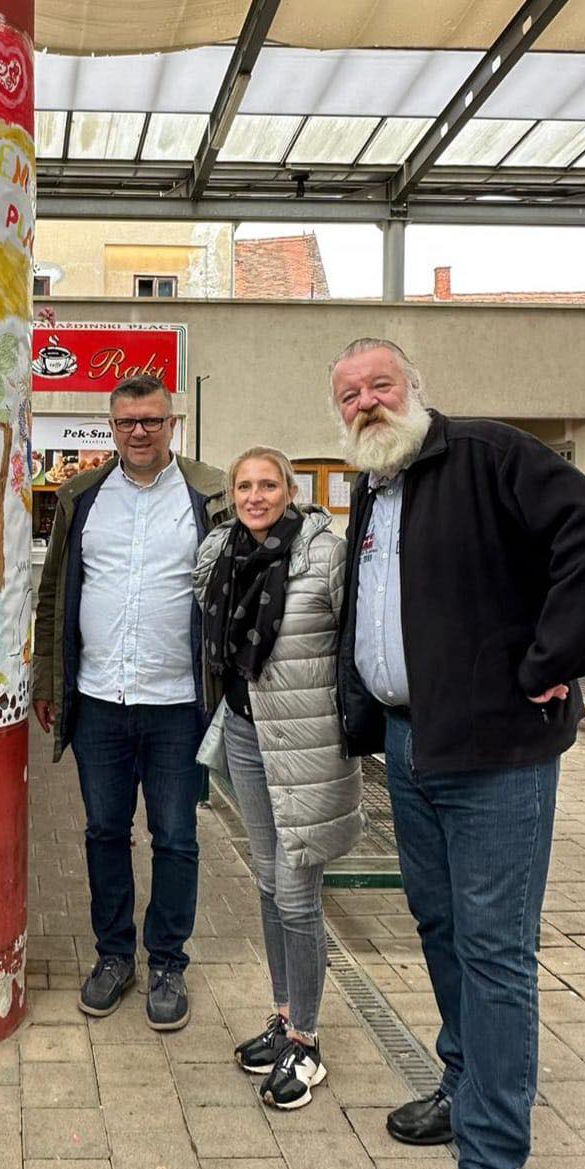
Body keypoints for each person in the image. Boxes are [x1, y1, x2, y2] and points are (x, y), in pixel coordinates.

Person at [332, 338, 585, 1169]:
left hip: (497, 753)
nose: (366, 402)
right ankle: (464, 1082)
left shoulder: (488, 456)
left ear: (415, 389)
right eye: (349, 394)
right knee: (438, 924)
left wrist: (551, 660)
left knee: (495, 951)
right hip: (410, 742)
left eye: (380, 384)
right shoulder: (375, 489)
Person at [32, 375, 226, 1030]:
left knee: (176, 836)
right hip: (99, 702)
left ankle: (167, 961)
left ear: (172, 423)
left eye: (151, 420)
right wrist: (46, 681)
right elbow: (53, 595)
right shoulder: (83, 497)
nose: (138, 432)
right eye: (125, 422)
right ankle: (114, 955)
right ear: (110, 427)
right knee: (104, 832)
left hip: (178, 704)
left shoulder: (209, 495)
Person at [194, 447, 364, 1109]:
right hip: (246, 733)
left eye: (268, 484)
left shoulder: (324, 554)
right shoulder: (222, 552)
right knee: (267, 883)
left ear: (290, 491)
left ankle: (307, 1042)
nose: (255, 496)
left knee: (296, 896)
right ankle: (284, 1014)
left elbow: (353, 643)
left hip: (307, 746)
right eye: (244, 485)